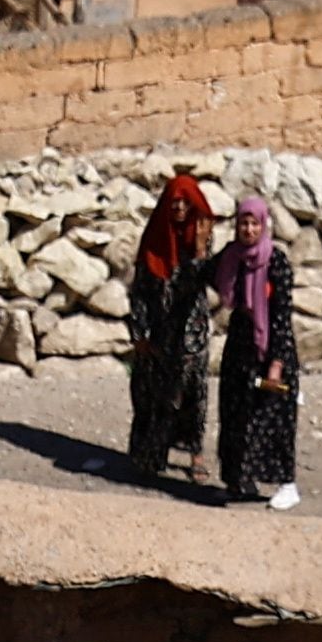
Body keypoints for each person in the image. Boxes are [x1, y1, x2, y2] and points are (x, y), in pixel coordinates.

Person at [121, 169, 220, 483]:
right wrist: (139, 333)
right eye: (174, 202)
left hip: (191, 332)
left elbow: (205, 280)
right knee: (151, 393)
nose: (178, 208)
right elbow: (140, 288)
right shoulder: (154, 237)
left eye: (184, 202)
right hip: (158, 331)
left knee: (193, 392)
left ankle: (196, 454)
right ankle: (151, 454)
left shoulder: (201, 236)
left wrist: (202, 251)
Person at [208, 188, 304, 509]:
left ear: (263, 225)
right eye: (243, 224)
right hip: (240, 348)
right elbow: (205, 273)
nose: (248, 230)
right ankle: (240, 481)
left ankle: (287, 484)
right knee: (236, 415)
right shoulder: (230, 258)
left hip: (272, 351)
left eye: (253, 224)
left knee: (274, 416)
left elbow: (281, 316)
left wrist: (276, 364)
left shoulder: (276, 262)